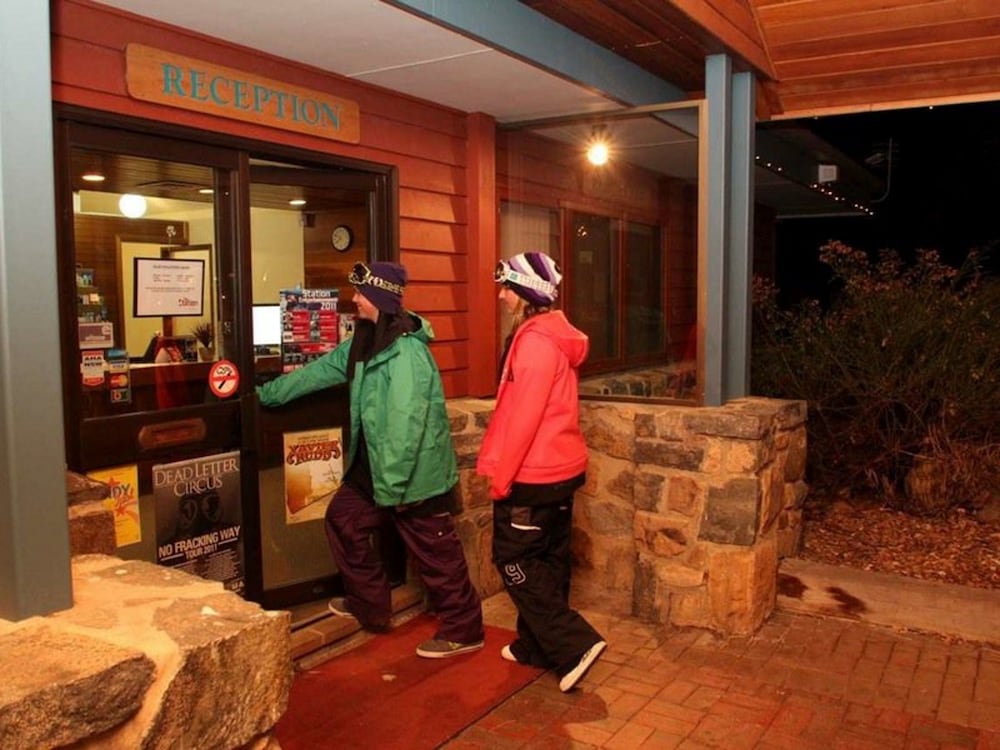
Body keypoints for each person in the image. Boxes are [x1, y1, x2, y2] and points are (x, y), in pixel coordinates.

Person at [257, 261, 484, 658]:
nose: (354, 300)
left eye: (361, 294)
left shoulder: (407, 353)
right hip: (374, 470)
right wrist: (265, 395)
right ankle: (371, 605)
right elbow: (317, 373)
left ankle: (465, 630)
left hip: (411, 477)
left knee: (437, 553)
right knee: (343, 520)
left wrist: (394, 490)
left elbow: (406, 425)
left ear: (379, 298)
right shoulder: (363, 343)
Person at [476, 251, 607, 692]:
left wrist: (502, 478)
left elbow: (524, 417)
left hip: (532, 474)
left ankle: (574, 643)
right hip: (561, 470)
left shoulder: (534, 342)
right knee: (548, 558)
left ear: (526, 292)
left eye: (507, 288)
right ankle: (535, 646)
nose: (501, 295)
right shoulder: (553, 334)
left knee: (513, 558)